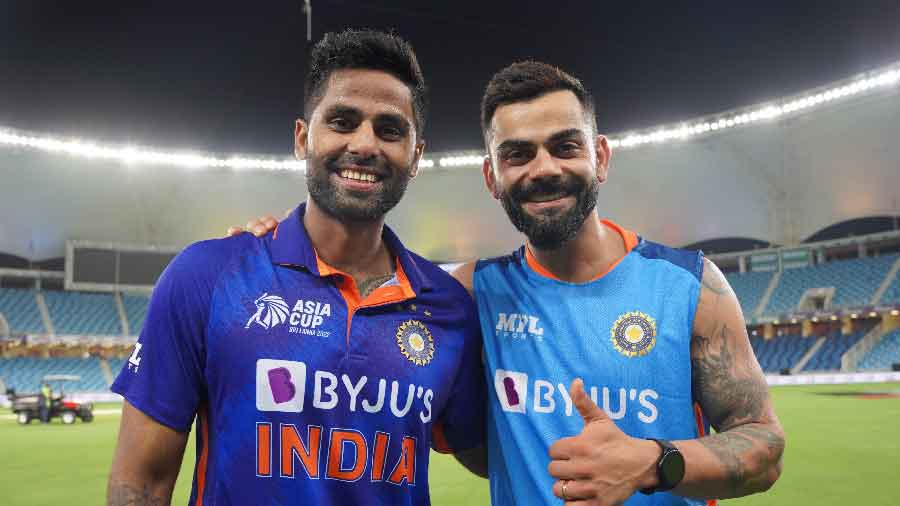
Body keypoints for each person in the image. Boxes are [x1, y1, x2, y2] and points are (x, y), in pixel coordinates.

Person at [240, 61, 785, 506]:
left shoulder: (692, 288)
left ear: (600, 157)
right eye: (517, 154)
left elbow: (764, 446)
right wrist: (266, 247)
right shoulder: (467, 296)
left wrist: (654, 461)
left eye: (565, 146)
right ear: (491, 177)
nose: (542, 168)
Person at [107, 30, 485, 506]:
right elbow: (140, 485)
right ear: (303, 138)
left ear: (416, 157)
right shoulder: (206, 275)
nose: (365, 144)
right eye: (343, 121)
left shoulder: (447, 306)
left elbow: (491, 454)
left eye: (390, 130)